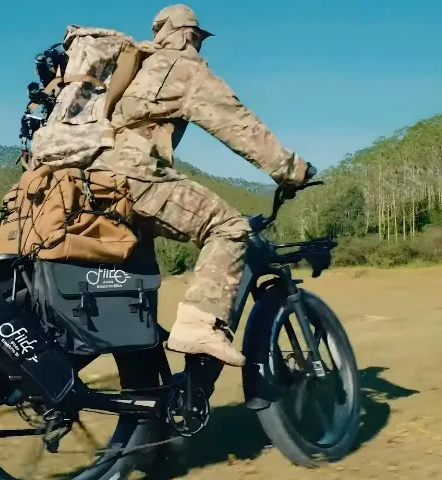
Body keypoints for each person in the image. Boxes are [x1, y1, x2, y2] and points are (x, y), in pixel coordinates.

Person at [88, 4, 315, 367]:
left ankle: (151, 383)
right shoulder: (182, 68)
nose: (197, 43)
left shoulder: (132, 68)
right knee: (227, 226)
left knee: (139, 282)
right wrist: (293, 170)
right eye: (195, 36)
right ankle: (199, 324)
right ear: (188, 34)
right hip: (133, 177)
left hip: (86, 183)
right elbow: (238, 125)